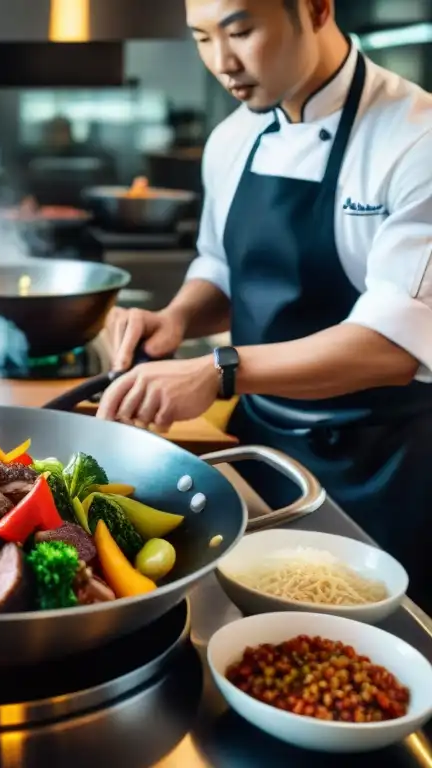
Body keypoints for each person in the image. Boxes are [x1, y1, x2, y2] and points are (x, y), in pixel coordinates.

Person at [97, 0, 432, 598]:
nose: (222, 63)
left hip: (379, 467)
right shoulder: (233, 138)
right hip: (256, 449)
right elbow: (224, 269)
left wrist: (220, 370)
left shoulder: (414, 138)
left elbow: (391, 346)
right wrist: (175, 318)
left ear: (317, 8)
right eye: (201, 38)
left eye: (241, 30)